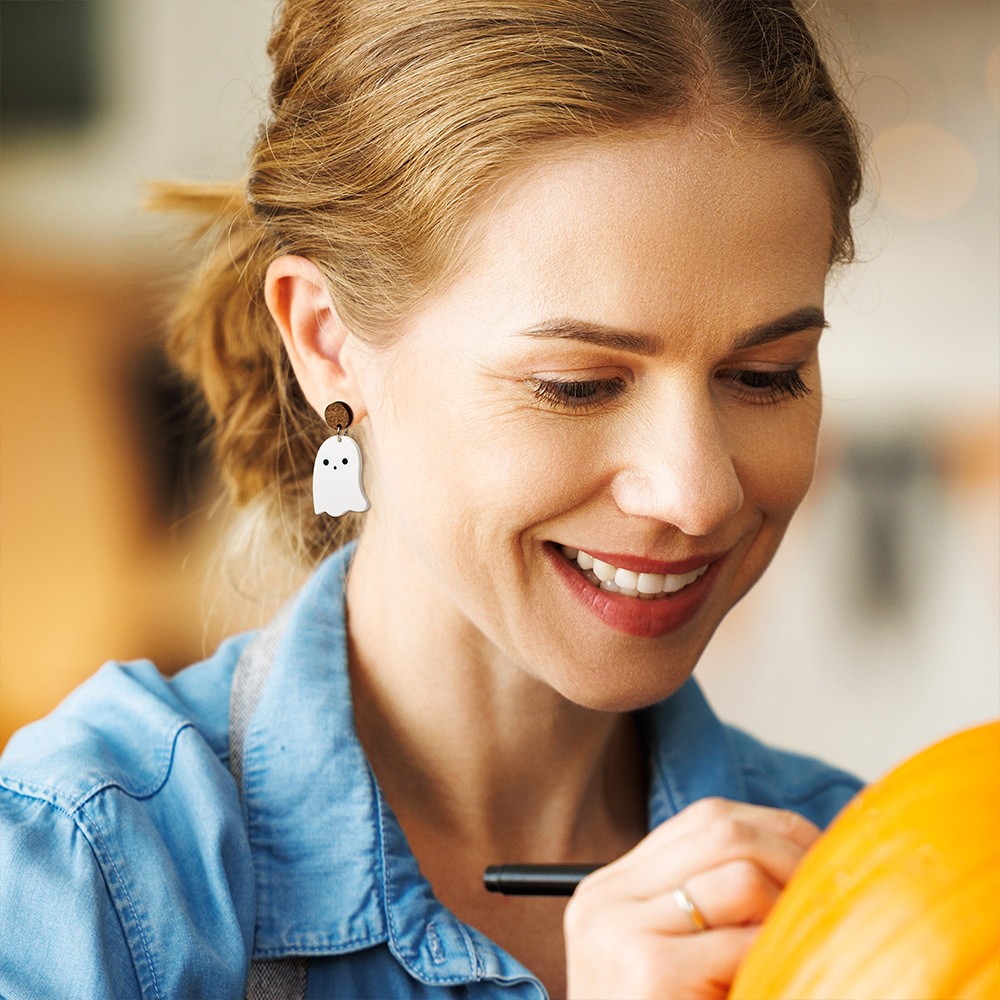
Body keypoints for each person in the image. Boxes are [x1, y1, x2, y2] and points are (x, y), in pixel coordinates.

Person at [0, 1, 867, 997]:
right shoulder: (81, 867)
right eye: (576, 383)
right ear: (326, 337)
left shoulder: (867, 872)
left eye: (766, 374)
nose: (696, 492)